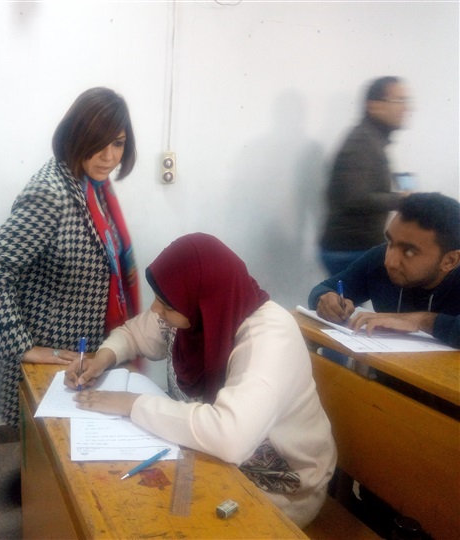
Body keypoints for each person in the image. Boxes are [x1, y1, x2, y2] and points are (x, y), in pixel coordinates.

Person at [65, 233, 337, 528]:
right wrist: (102, 359)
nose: (156, 310)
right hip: (213, 460)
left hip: (281, 487)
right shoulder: (198, 312)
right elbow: (133, 334)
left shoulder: (269, 338)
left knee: (148, 518)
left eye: (165, 305)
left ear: (203, 299)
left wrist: (133, 405)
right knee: (121, 498)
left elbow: (231, 437)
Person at [0, 87, 141, 429]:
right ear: (75, 136)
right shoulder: (51, 193)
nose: (109, 156)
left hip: (83, 360)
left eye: (118, 143)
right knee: (48, 449)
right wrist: (22, 346)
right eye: (98, 142)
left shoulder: (94, 188)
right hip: (50, 363)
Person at [309, 192, 460, 349]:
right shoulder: (378, 258)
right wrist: (326, 300)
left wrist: (421, 320)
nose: (390, 261)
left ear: (450, 261)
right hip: (383, 362)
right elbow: (325, 288)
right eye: (391, 242)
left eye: (409, 252)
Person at [319, 76, 411, 275]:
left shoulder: (372, 139)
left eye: (407, 101)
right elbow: (354, 198)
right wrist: (402, 200)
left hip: (356, 248)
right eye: (399, 100)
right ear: (374, 105)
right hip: (351, 251)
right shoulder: (362, 142)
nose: (406, 108)